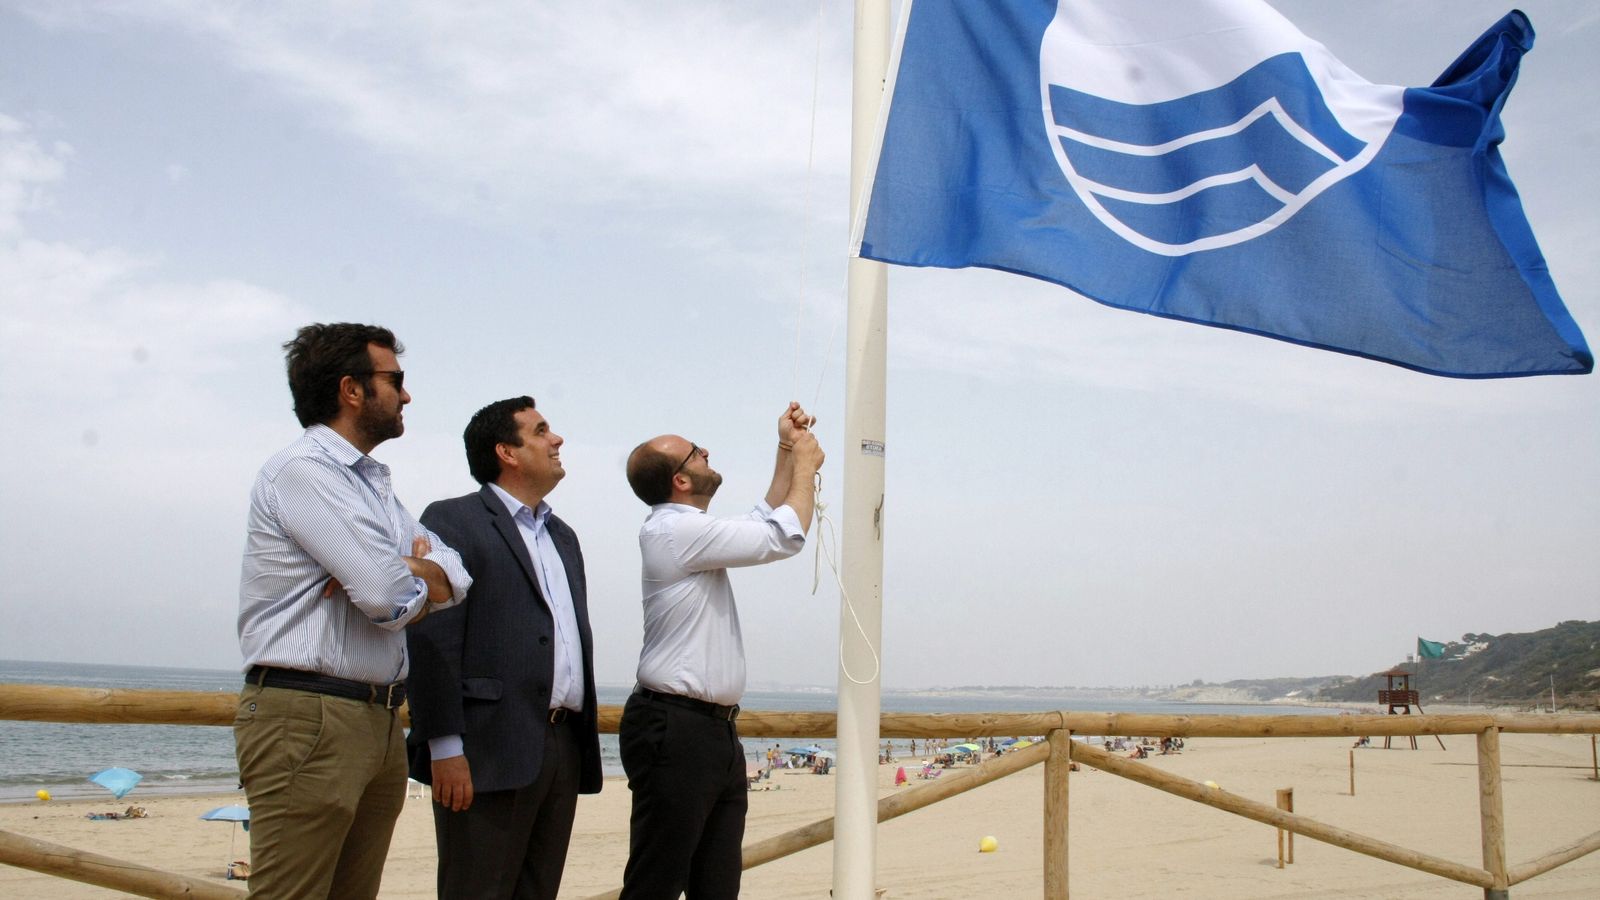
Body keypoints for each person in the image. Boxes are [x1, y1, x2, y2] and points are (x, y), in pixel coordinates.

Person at [236, 323, 473, 900]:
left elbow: (457, 574)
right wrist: (405, 575)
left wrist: (412, 570)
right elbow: (385, 599)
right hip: (310, 714)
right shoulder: (306, 471)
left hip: (377, 716)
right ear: (351, 389)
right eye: (394, 380)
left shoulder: (370, 485)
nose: (406, 395)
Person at [617, 402, 825, 899]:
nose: (705, 451)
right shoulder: (673, 529)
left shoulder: (689, 531)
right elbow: (783, 536)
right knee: (657, 881)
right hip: (677, 728)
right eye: (694, 452)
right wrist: (805, 468)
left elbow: (763, 518)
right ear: (680, 482)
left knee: (716, 883)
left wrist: (784, 448)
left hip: (709, 730)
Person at [405, 396, 603, 899]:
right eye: (540, 431)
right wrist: (444, 746)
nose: (556, 439)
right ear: (506, 452)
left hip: (561, 747)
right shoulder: (454, 520)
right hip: (485, 748)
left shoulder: (564, 536)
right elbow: (432, 638)